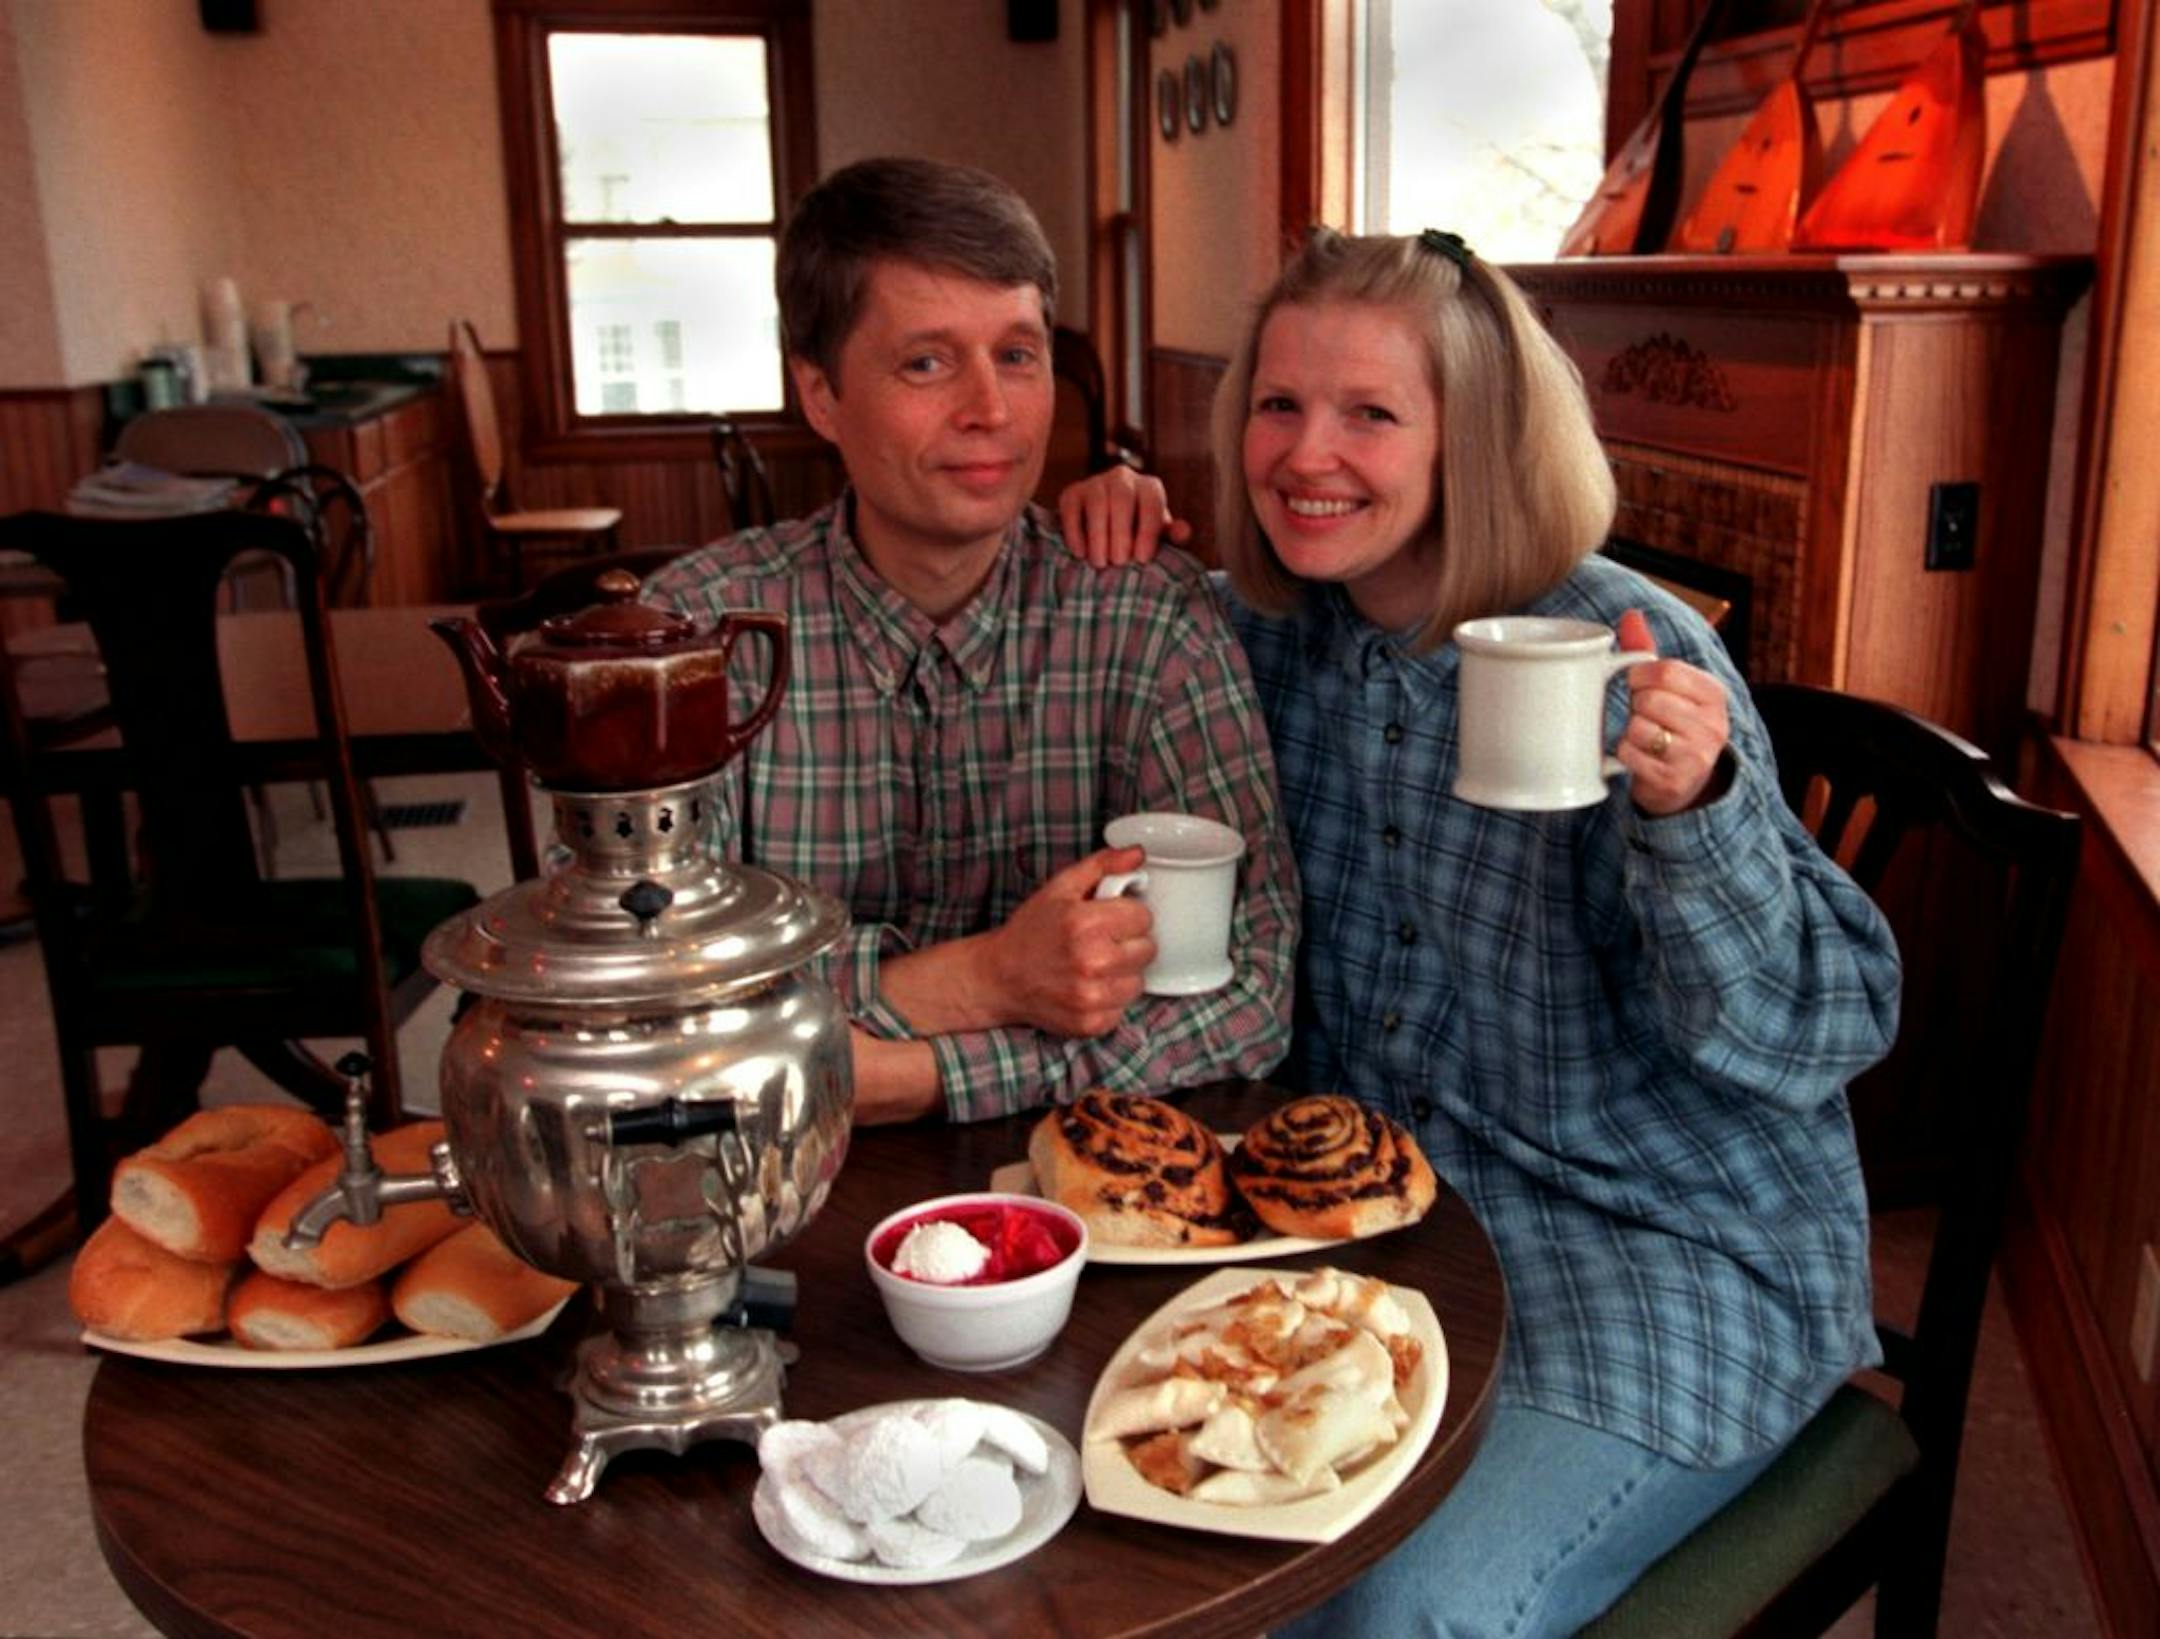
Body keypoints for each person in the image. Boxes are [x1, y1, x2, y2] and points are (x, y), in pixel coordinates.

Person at [1059, 227, 1901, 1637]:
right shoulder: (1260, 635)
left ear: (1477, 439)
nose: (1306, 452)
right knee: (1176, 1547)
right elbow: (1099, 629)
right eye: (1280, 404)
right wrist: (1107, 508)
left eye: (1371, 413)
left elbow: (1831, 1024)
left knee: (1408, 1614)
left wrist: (1698, 817)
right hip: (1377, 1221)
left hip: (1660, 1248)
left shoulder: (1629, 649)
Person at [645, 156, 1298, 1128]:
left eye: (1019, 354)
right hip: (769, 1197)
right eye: (927, 361)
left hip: (1090, 1200)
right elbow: (639, 1003)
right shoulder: (701, 637)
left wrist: (912, 1077)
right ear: (821, 395)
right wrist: (982, 979)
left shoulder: (1143, 614)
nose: (991, 409)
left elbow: (1250, 982)